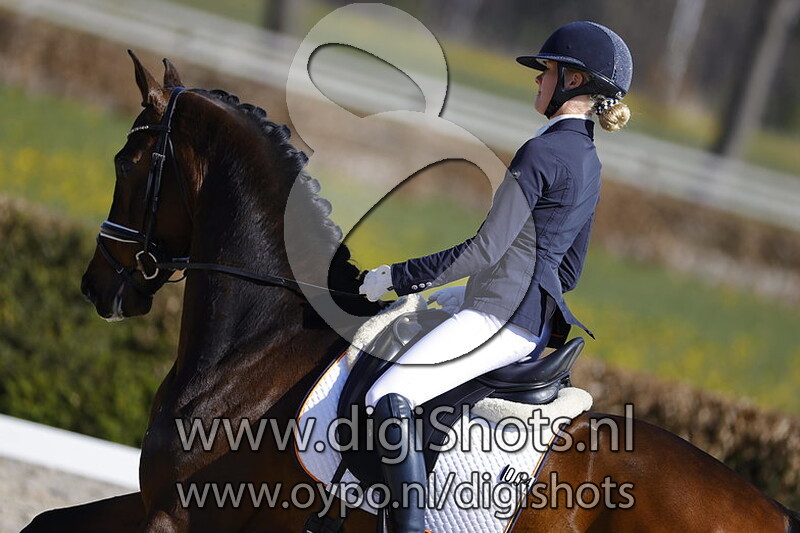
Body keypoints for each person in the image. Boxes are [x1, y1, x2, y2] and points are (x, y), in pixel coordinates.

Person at [357, 21, 633, 533]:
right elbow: (568, 270)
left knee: (385, 398)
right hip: (528, 323)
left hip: (497, 319)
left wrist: (395, 276)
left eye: (546, 71)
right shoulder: (588, 160)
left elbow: (486, 249)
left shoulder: (542, 152)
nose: (537, 81)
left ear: (573, 81)